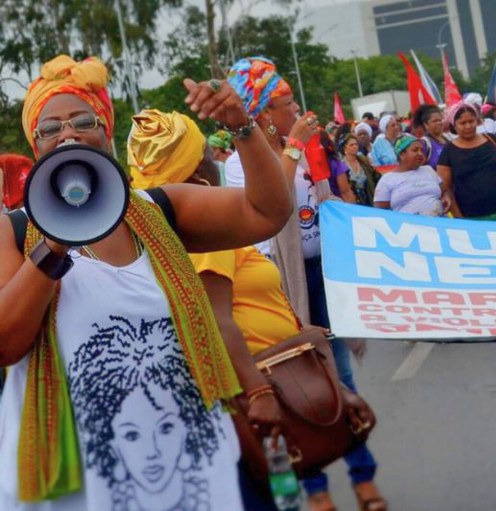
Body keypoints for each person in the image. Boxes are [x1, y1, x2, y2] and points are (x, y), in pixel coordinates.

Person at [0, 54, 292, 510]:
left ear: (107, 131)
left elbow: (268, 211)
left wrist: (243, 127)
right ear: (35, 145)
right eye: (50, 128)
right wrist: (54, 243)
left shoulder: (159, 210)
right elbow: (4, 343)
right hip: (82, 486)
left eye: (82, 120)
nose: (68, 134)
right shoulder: (13, 232)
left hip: (188, 470)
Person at [225, 56, 386, 511]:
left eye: (294, 103)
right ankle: (316, 490)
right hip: (283, 284)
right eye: (286, 105)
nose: (296, 111)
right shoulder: (243, 160)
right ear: (262, 115)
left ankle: (363, 477)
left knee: (340, 377)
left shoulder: (315, 148)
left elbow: (334, 199)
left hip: (323, 274)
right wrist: (292, 147)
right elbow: (271, 201)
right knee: (300, 385)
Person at [128, 108, 307, 511]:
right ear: (196, 172)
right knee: (265, 497)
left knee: (279, 494)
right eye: (206, 150)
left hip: (248, 392)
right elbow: (215, 317)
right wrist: (259, 393)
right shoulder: (200, 231)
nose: (214, 155)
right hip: (244, 401)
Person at [436, 101, 496, 221]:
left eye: (471, 121)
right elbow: (446, 189)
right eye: (463, 123)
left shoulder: (491, 139)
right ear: (454, 125)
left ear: (477, 121)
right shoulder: (448, 151)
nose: (468, 126)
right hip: (473, 218)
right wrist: (459, 218)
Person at [373, 134, 449, 216]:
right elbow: (380, 212)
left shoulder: (429, 170)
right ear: (402, 154)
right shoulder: (387, 179)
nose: (420, 153)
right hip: (407, 226)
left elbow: (445, 191)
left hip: (438, 223)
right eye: (415, 150)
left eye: (421, 150)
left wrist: (446, 197)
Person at [335, 132, 380, 206]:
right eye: (351, 145)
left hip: (368, 199)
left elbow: (374, 177)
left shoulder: (363, 161)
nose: (355, 146)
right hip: (352, 202)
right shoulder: (342, 165)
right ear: (345, 147)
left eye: (356, 144)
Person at [412, 104, 449, 169]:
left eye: (440, 120)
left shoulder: (448, 138)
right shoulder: (424, 143)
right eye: (435, 121)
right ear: (426, 124)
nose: (439, 123)